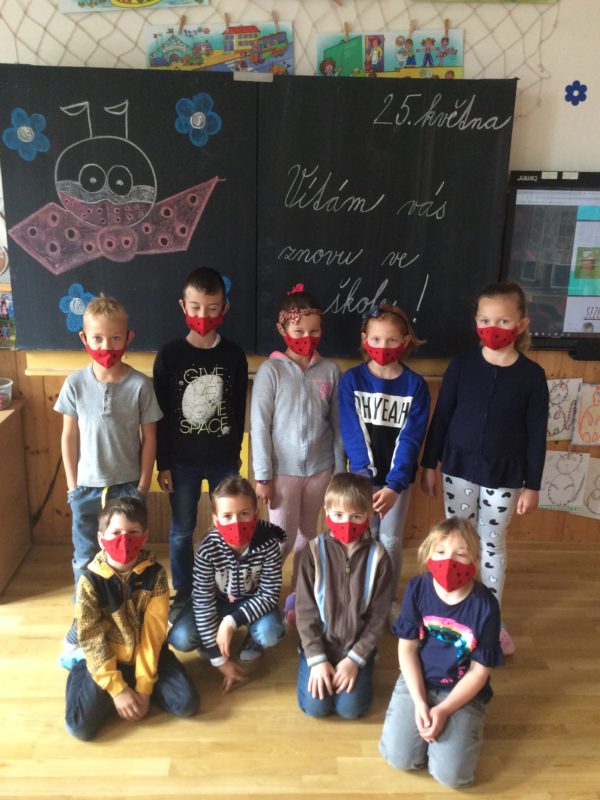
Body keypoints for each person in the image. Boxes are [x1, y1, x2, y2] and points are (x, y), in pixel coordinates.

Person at [420, 281, 549, 655]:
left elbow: (536, 435)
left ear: (521, 324)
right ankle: (451, 608)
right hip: (457, 468)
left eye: (503, 321)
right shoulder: (461, 366)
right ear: (476, 321)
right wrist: (429, 464)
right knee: (457, 541)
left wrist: (533, 485)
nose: (493, 328)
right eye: (485, 320)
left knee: (491, 543)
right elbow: (442, 418)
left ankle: (489, 616)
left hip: (505, 476)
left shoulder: (531, 376)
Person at [54, 296, 162, 661]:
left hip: (126, 488)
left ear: (128, 338)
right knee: (85, 557)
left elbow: (150, 438)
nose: (106, 346)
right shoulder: (74, 383)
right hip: (86, 490)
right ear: (84, 338)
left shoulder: (140, 385)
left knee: (127, 557)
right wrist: (72, 486)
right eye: (98, 338)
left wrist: (142, 486)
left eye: (115, 338)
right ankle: (83, 620)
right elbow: (68, 436)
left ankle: (125, 617)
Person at [379, 517, 503, 788]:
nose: (449, 562)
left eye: (461, 554)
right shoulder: (418, 588)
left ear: (475, 561)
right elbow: (407, 647)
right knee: (399, 758)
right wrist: (419, 701)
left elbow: (479, 671)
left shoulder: (486, 606)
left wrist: (445, 710)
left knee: (451, 777)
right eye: (441, 552)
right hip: (419, 680)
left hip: (461, 689)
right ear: (428, 554)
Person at [153, 267, 248, 619]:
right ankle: (184, 592)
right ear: (183, 306)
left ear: (225, 308)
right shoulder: (169, 355)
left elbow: (237, 411)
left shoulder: (234, 355)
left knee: (228, 528)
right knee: (182, 530)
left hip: (223, 459)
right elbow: (160, 414)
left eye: (212, 308)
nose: (203, 316)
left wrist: (235, 455)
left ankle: (226, 587)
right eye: (195, 307)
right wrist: (163, 463)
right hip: (181, 463)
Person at [65, 497, 199, 741]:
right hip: (105, 656)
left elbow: (153, 635)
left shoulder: (156, 575)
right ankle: (92, 676)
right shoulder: (89, 580)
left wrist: (144, 689)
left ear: (144, 537)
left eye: (133, 532)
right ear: (101, 539)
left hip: (146, 655)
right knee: (79, 727)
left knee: (187, 703)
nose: (124, 539)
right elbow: (91, 636)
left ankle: (133, 685)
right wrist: (117, 691)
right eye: (116, 533)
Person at [250, 283, 345, 624]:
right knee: (281, 541)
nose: (307, 337)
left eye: (314, 331)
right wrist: (263, 475)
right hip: (283, 473)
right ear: (283, 329)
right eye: (299, 331)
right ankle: (262, 597)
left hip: (320, 470)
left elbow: (337, 424)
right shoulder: (271, 371)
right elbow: (259, 425)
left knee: (308, 536)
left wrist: (338, 470)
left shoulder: (330, 370)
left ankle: (298, 595)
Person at [338, 304, 430, 620]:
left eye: (392, 340)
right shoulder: (351, 380)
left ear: (405, 341)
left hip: (396, 485)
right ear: (365, 339)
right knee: (362, 539)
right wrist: (364, 477)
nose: (383, 347)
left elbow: (411, 438)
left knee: (390, 541)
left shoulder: (415, 385)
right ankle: (358, 597)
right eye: (376, 339)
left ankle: (388, 600)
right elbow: (352, 432)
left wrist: (394, 484)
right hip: (361, 481)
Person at [168, 475, 285, 693]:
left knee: (270, 631)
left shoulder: (269, 543)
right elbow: (203, 602)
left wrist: (231, 622)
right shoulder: (207, 549)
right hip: (216, 602)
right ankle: (211, 639)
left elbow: (269, 594)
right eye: (227, 516)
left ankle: (252, 637)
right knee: (180, 638)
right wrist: (218, 659)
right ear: (216, 520)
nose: (236, 523)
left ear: (256, 514)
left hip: (252, 601)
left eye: (244, 514)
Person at [295, 473, 392, 719]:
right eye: (338, 515)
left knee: (350, 710)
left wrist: (355, 659)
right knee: (316, 708)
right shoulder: (312, 552)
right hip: (320, 645)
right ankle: (311, 661)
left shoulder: (379, 557)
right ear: (327, 511)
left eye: (356, 516)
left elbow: (378, 616)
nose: (346, 523)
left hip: (356, 648)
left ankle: (364, 662)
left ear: (369, 515)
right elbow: (305, 611)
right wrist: (316, 658)